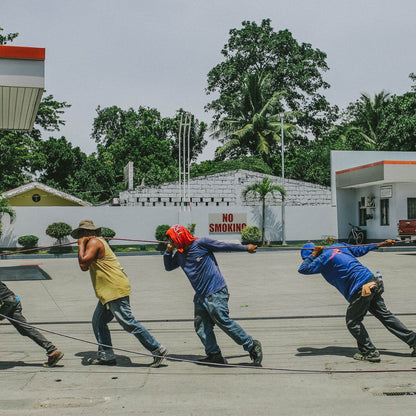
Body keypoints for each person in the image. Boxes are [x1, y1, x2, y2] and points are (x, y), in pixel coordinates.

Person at [298, 240, 416, 362]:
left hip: (360, 288)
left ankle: (369, 352)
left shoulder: (321, 259)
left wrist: (312, 256)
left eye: (306, 258)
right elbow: (360, 248)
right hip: (372, 280)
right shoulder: (338, 247)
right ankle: (414, 341)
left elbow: (303, 269)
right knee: (385, 315)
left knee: (352, 321)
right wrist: (380, 244)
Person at [163, 224, 263, 366]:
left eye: (172, 239)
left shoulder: (201, 244)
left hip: (216, 291)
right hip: (201, 295)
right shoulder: (179, 255)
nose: (171, 242)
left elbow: (223, 246)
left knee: (223, 321)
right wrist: (168, 251)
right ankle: (214, 354)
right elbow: (168, 267)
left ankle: (251, 345)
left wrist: (246, 248)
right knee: (201, 326)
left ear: (180, 237)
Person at [72, 219, 167, 367]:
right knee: (99, 322)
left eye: (87, 232)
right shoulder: (96, 242)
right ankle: (106, 356)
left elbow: (83, 265)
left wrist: (79, 245)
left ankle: (157, 349)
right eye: (84, 232)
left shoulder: (94, 243)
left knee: (128, 322)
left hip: (113, 289)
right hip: (108, 291)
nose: (85, 234)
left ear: (91, 233)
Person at [0, 280, 64, 367]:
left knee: (25, 329)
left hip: (5, 303)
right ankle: (52, 351)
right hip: (13, 299)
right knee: (25, 329)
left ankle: (52, 350)